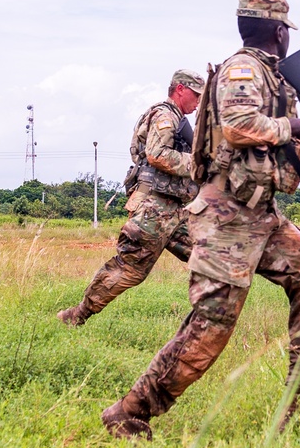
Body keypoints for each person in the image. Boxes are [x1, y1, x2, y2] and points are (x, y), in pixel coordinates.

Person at [100, 0, 300, 439]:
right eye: (286, 32)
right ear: (280, 32)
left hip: (263, 214)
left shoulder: (275, 79)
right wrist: (293, 125)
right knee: (211, 326)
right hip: (227, 217)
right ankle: (129, 413)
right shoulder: (242, 71)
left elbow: (296, 151)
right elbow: (238, 126)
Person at [57, 70, 205, 326]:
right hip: (154, 209)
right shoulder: (165, 115)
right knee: (130, 269)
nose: (198, 101)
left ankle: (205, 322)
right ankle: (76, 315)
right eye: (196, 94)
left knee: (210, 256)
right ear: (180, 89)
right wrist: (197, 162)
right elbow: (157, 154)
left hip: (177, 209)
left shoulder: (178, 119)